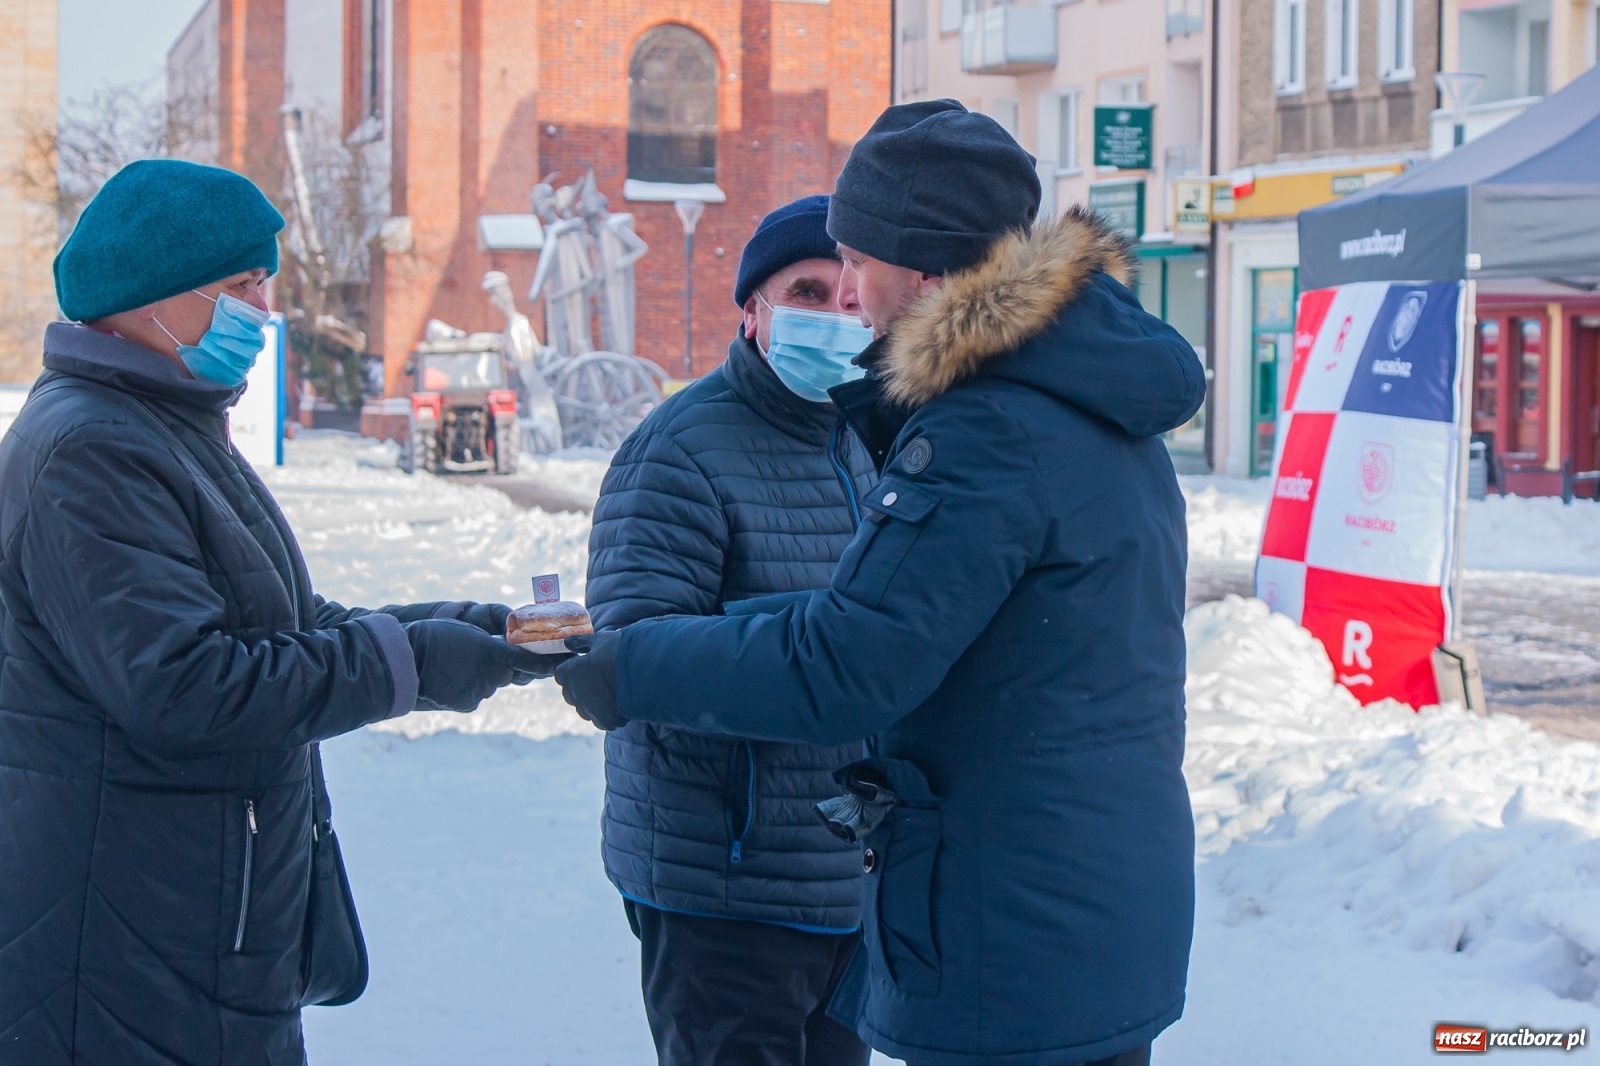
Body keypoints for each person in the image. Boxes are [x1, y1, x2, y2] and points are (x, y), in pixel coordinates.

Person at [558, 100, 1206, 1066]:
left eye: (858, 264)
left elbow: (847, 665)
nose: (852, 299)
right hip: (1092, 899)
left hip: (1012, 918)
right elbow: (947, 622)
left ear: (929, 271)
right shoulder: (1085, 395)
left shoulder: (989, 430)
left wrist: (631, 664)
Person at [0, 159, 558, 1065]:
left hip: (192, 930)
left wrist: (466, 632)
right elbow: (186, 686)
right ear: (155, 295)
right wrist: (408, 663)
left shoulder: (161, 425)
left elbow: (285, 625)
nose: (261, 309)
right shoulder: (90, 449)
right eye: (239, 285)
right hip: (122, 952)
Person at [584, 194, 876, 1066]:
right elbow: (629, 658)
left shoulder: (870, 439)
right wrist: (831, 647)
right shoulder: (677, 449)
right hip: (724, 886)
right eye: (808, 293)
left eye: (851, 294)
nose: (836, 314)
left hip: (841, 879)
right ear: (754, 311)